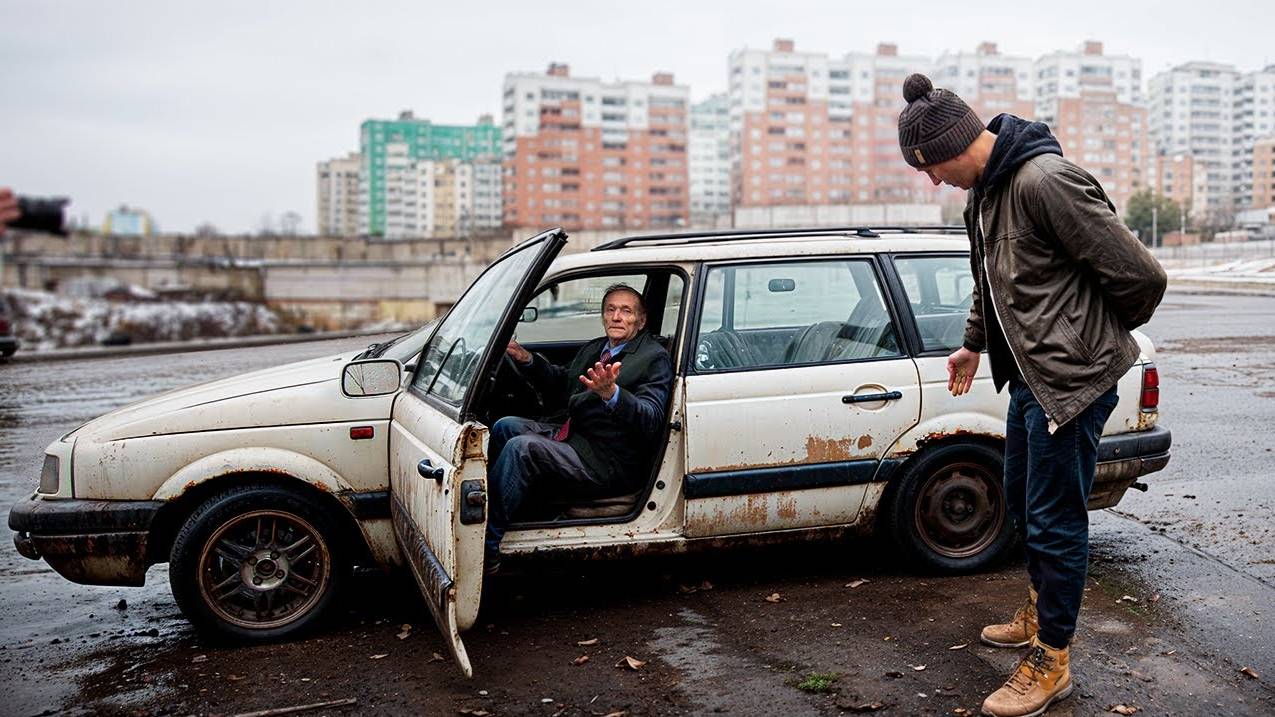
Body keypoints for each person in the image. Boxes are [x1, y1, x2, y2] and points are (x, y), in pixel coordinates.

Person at [897, 74, 1167, 717]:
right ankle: (1040, 605)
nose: (934, 180)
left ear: (958, 141)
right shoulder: (984, 197)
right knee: (1021, 501)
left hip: (1071, 384)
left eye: (933, 166)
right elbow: (988, 284)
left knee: (1054, 520)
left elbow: (1141, 277)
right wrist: (972, 343)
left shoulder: (1046, 181)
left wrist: (1086, 340)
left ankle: (1053, 659)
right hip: (1029, 378)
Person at [484, 283, 673, 575]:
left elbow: (651, 417)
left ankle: (485, 544)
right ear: (603, 315)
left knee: (522, 449)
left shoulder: (653, 358)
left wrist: (612, 394)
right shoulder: (596, 348)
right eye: (611, 309)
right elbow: (563, 383)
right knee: (505, 426)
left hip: (607, 460)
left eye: (626, 311)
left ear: (641, 320)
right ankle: (521, 508)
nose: (617, 317)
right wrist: (526, 359)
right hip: (573, 434)